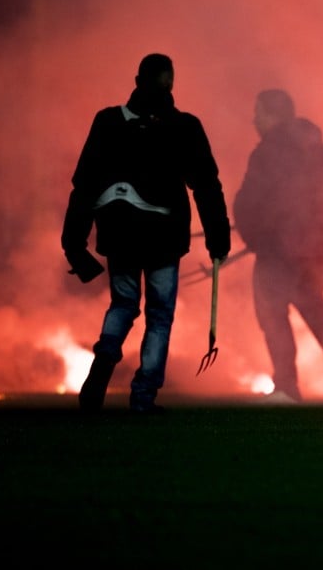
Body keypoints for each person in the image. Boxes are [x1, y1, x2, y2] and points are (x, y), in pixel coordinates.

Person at [62, 52, 232, 414]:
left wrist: (73, 241)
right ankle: (142, 397)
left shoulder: (108, 122)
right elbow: (205, 185)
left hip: (119, 232)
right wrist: (218, 237)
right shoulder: (184, 126)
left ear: (137, 80)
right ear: (170, 83)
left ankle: (105, 357)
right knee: (159, 315)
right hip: (163, 236)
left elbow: (85, 184)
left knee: (123, 304)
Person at [233, 88, 323, 403]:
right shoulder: (314, 147)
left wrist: (252, 233)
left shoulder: (269, 151)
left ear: (273, 115)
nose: (254, 120)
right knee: (319, 314)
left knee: (272, 315)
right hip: (314, 249)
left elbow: (253, 200)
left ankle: (286, 388)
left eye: (259, 113)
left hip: (278, 250)